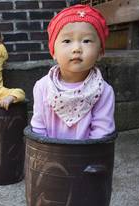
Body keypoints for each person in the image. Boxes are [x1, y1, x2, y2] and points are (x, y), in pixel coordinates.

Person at [30, 4, 115, 140]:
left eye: (86, 41)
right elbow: (39, 128)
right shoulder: (43, 87)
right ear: (53, 52)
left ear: (100, 52)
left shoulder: (103, 91)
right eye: (67, 41)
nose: (76, 48)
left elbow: (101, 134)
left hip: (87, 157)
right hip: (50, 156)